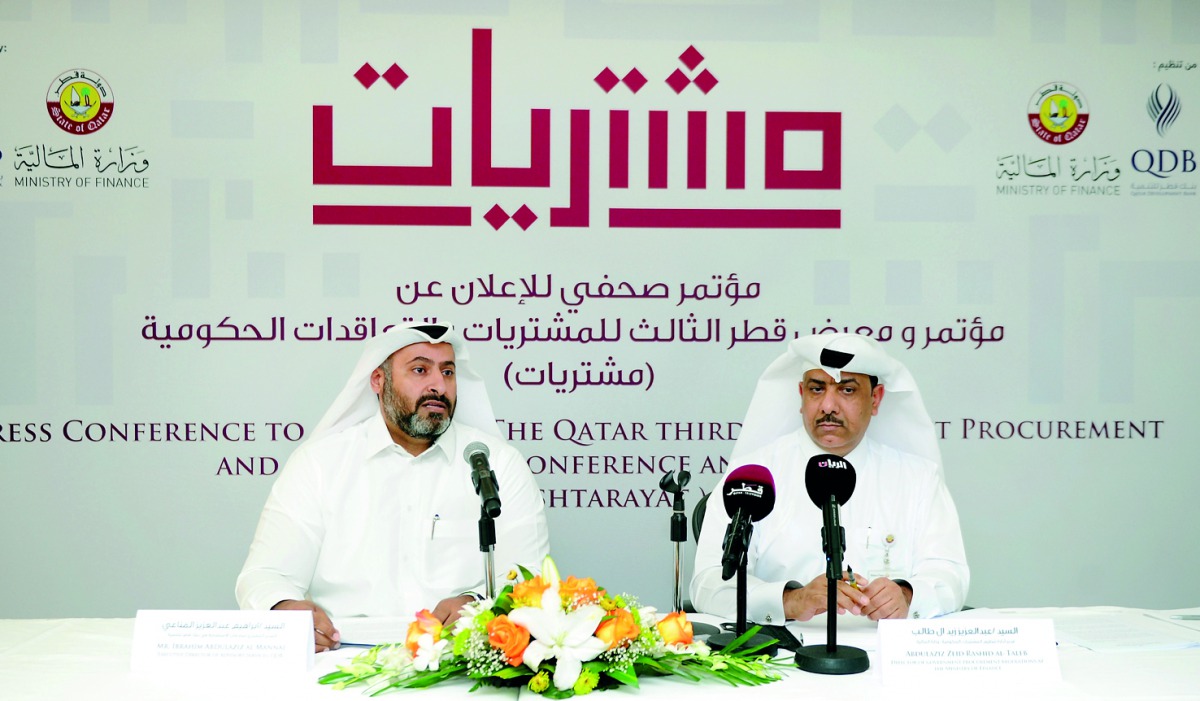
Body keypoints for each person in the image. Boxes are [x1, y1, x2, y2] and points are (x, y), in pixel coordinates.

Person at [236, 322, 550, 651]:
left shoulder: (497, 464)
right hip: (340, 658)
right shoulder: (319, 463)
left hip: (458, 658)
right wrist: (282, 608)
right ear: (378, 380)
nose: (438, 386)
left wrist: (477, 604)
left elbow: (529, 579)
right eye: (419, 369)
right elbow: (264, 575)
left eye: (447, 372)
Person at [691, 333, 968, 624]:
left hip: (888, 652)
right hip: (779, 656)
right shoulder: (752, 476)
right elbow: (709, 583)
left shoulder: (917, 478)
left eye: (847, 390)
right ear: (801, 394)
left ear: (875, 399)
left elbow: (950, 575)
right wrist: (791, 600)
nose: (828, 406)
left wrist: (907, 595)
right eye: (817, 389)